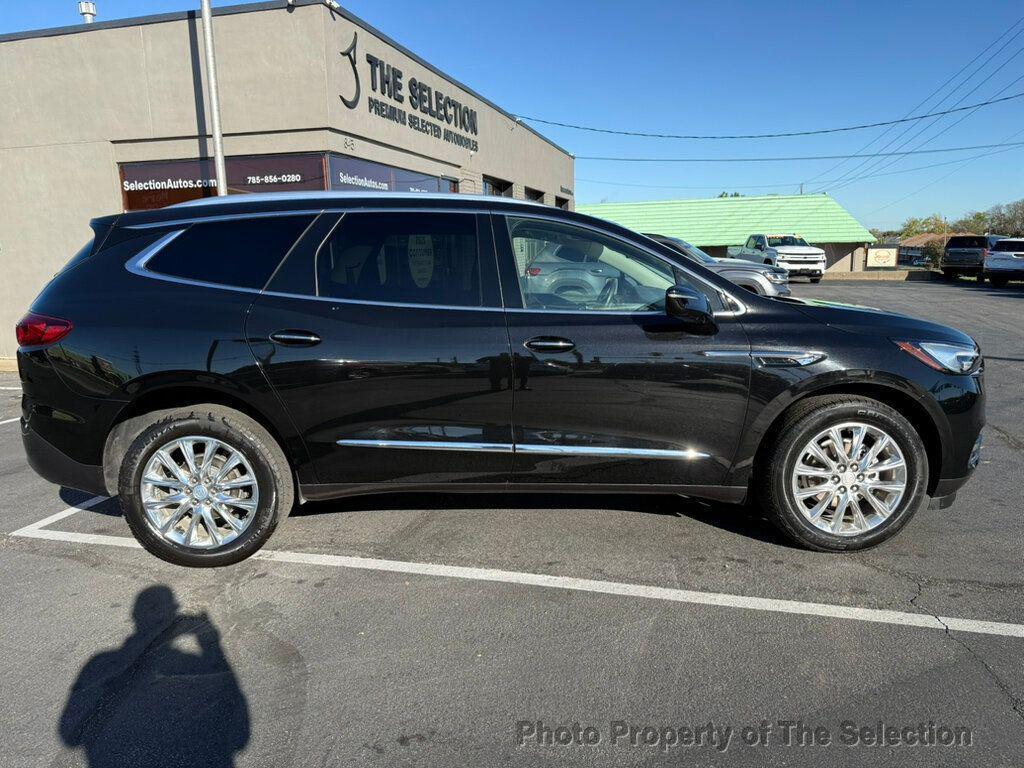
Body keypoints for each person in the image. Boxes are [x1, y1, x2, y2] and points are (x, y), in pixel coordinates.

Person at [58, 585, 250, 768]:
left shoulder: (100, 663)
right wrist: (211, 643)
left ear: (134, 616)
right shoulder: (193, 665)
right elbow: (240, 735)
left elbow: (69, 734)